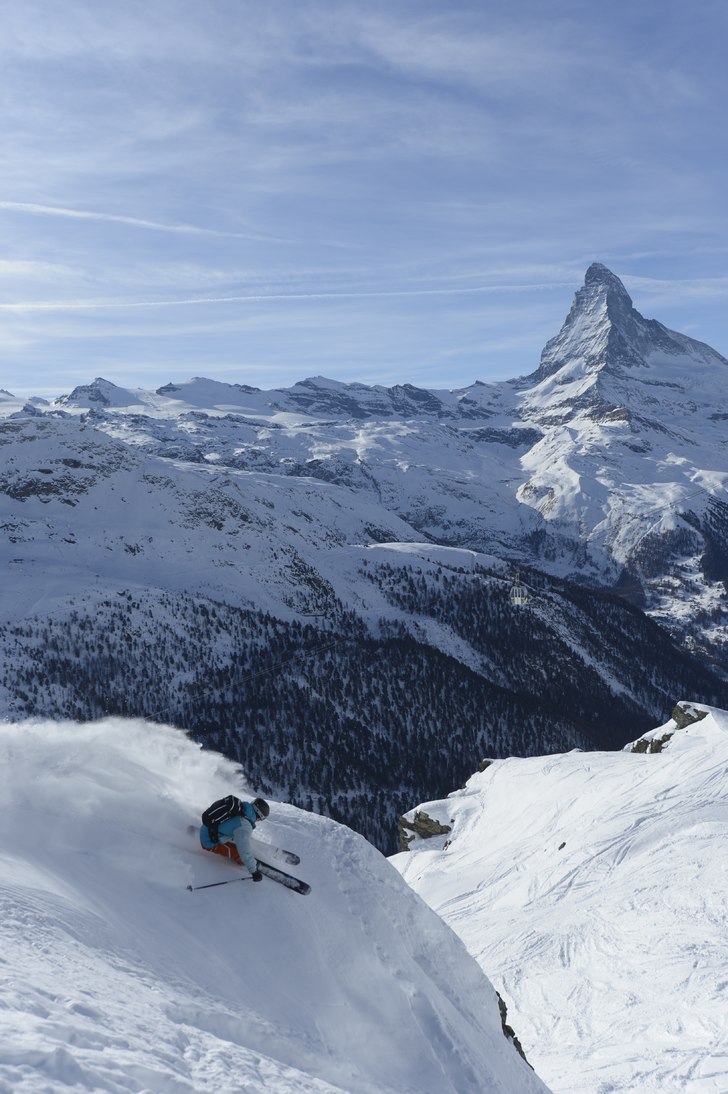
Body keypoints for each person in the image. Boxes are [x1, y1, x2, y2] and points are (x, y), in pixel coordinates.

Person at [199, 797, 270, 881]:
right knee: (240, 856)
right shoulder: (245, 826)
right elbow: (244, 852)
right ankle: (246, 864)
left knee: (238, 840)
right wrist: (254, 871)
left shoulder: (240, 807)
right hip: (209, 842)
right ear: (259, 815)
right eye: (261, 819)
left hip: (206, 828)